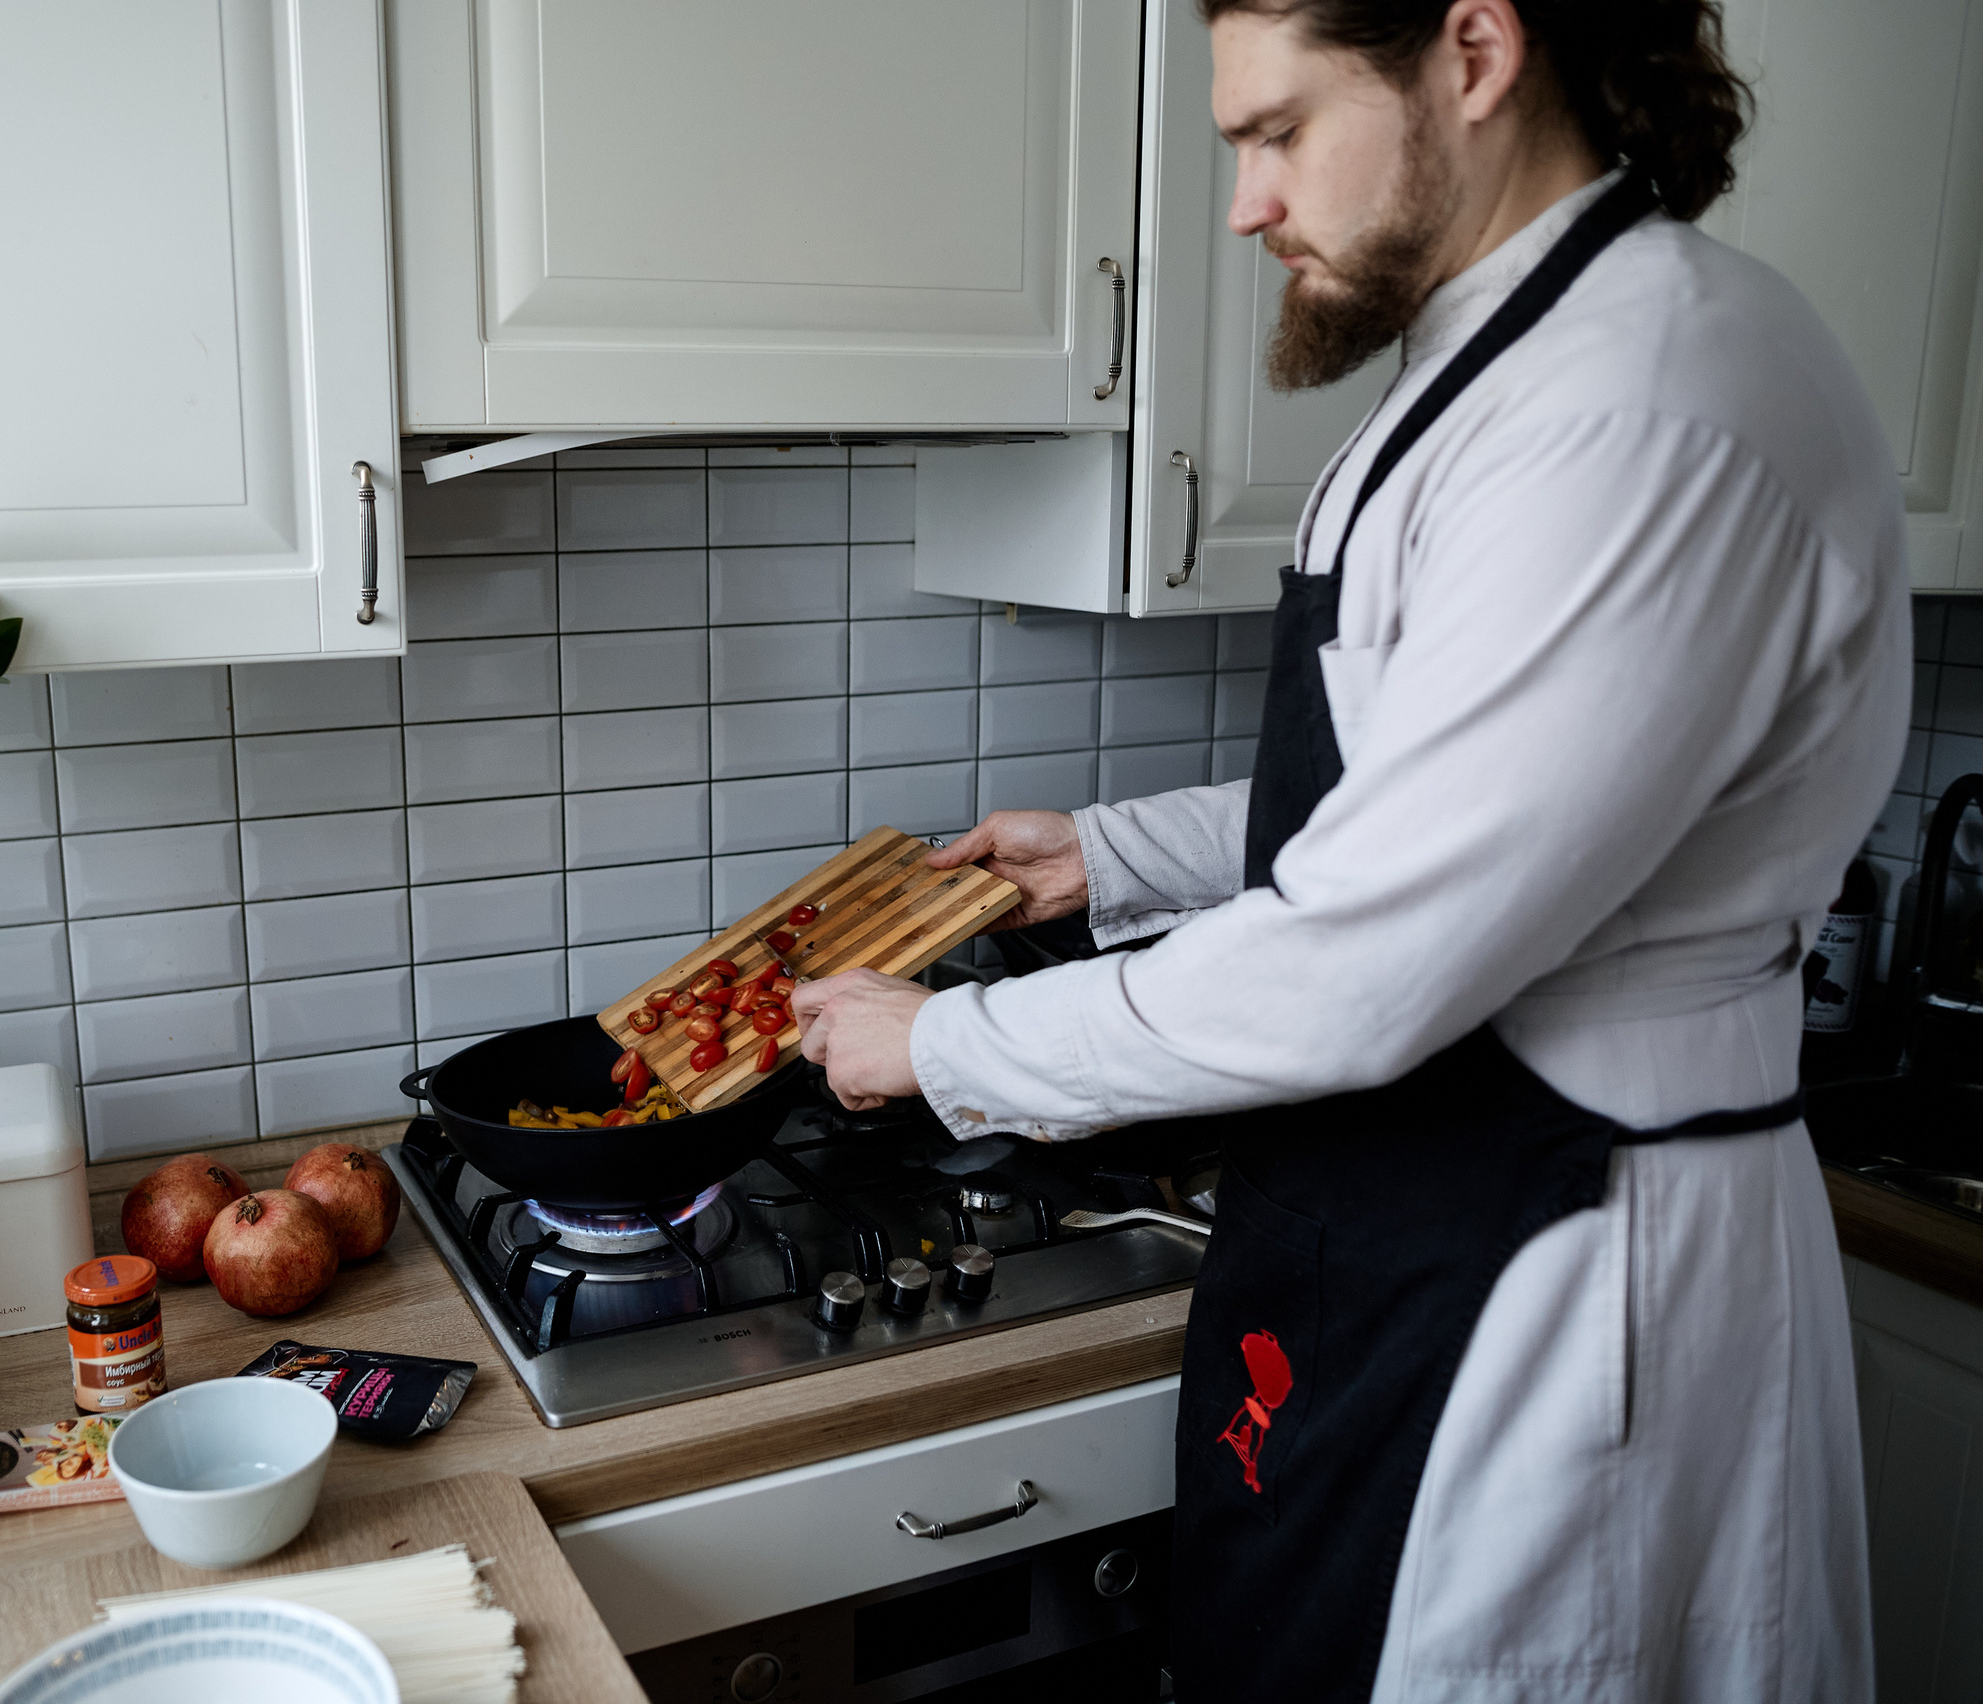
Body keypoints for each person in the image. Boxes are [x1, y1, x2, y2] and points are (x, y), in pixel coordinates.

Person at [790, 1, 1902, 1699]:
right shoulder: (1500, 367)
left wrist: (949, 1042)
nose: (1246, 201)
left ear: (1472, 54)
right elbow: (1434, 808)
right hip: (1404, 1220)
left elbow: (1374, 952)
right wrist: (1110, 856)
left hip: (1563, 1271)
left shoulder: (1641, 396)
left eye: (1277, 131)